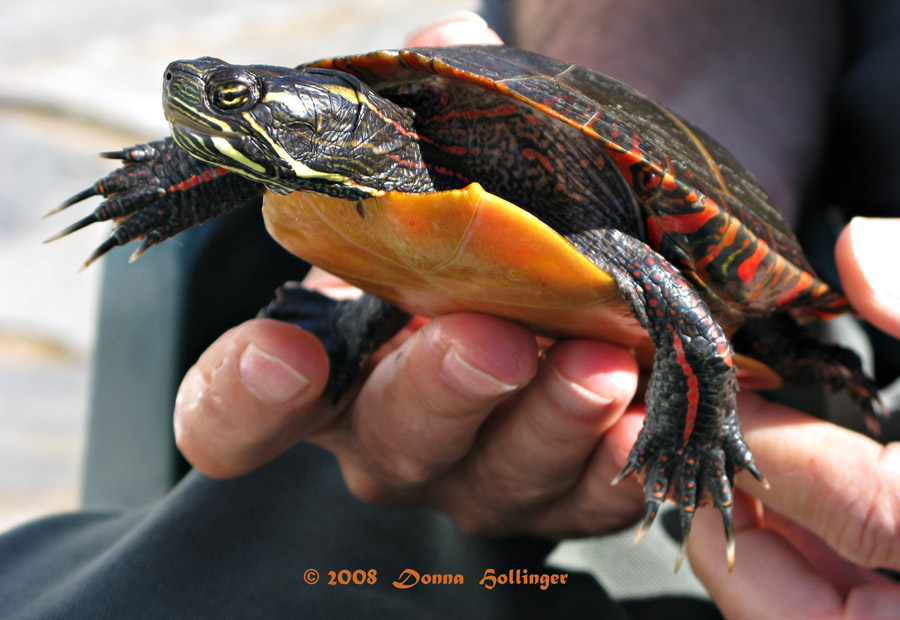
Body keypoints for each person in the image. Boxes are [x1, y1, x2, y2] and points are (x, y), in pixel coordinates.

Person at [2, 4, 899, 619]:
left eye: (234, 101)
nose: (201, 100)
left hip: (753, 331)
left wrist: (691, 415)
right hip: (443, 344)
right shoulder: (380, 140)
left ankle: (702, 429)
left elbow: (661, 276)